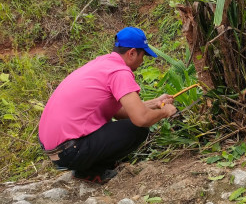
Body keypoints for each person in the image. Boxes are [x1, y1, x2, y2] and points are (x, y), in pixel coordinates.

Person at [38, 27, 177, 184]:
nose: (142, 61)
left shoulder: (102, 63)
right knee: (138, 130)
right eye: (142, 55)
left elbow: (118, 111)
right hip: (70, 152)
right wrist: (165, 112)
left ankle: (91, 165)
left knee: (115, 122)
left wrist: (155, 103)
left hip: (57, 150)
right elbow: (141, 118)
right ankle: (90, 171)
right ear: (132, 53)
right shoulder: (119, 72)